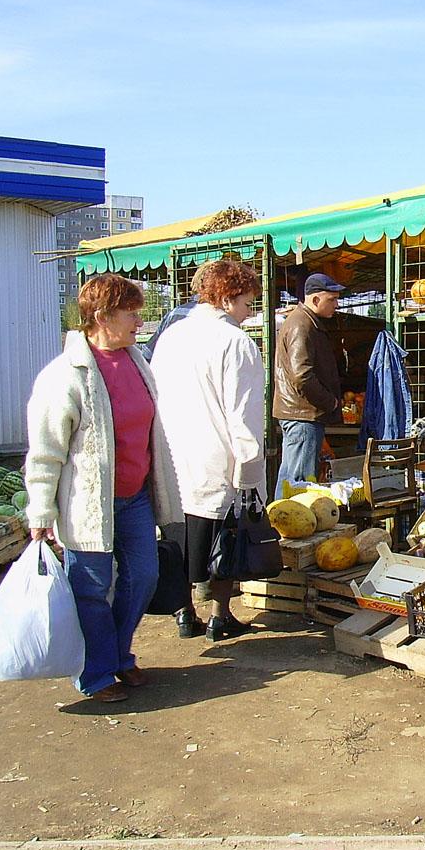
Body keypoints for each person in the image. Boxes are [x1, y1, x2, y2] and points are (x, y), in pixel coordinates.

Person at [24, 274, 182, 704]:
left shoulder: (137, 361)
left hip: (135, 499)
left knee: (144, 577)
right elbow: (45, 451)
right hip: (88, 503)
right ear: (101, 317)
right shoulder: (65, 376)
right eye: (131, 313)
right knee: (91, 588)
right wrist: (40, 512)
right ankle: (97, 672)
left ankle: (117, 652)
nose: (139, 320)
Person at [151, 258, 268, 641]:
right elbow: (244, 415)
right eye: (249, 303)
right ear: (228, 297)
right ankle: (220, 616)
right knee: (226, 543)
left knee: (177, 539)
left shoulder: (171, 336)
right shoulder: (236, 343)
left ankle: (184, 614)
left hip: (172, 459)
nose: (250, 313)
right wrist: (250, 474)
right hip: (218, 460)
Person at [272, 272, 345, 497]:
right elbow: (302, 375)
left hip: (300, 413)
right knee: (299, 484)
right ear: (315, 300)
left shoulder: (304, 322)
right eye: (331, 299)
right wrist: (330, 402)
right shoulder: (302, 325)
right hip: (302, 414)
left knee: (291, 479)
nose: (336, 304)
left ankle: (282, 526)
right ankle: (288, 529)